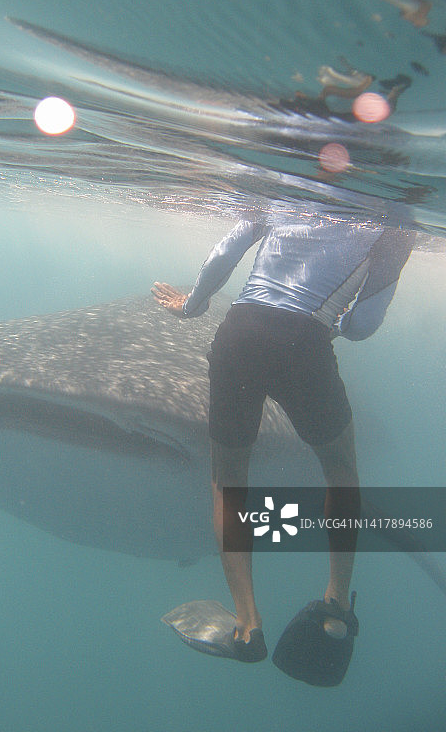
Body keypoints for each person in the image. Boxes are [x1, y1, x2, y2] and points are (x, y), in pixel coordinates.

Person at [152, 209, 415, 686]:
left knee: (228, 481)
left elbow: (225, 253)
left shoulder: (280, 194)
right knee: (341, 474)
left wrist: (191, 306)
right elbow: (363, 324)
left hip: (240, 333)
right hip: (305, 343)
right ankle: (336, 601)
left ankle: (247, 625)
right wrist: (327, 326)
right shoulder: (394, 221)